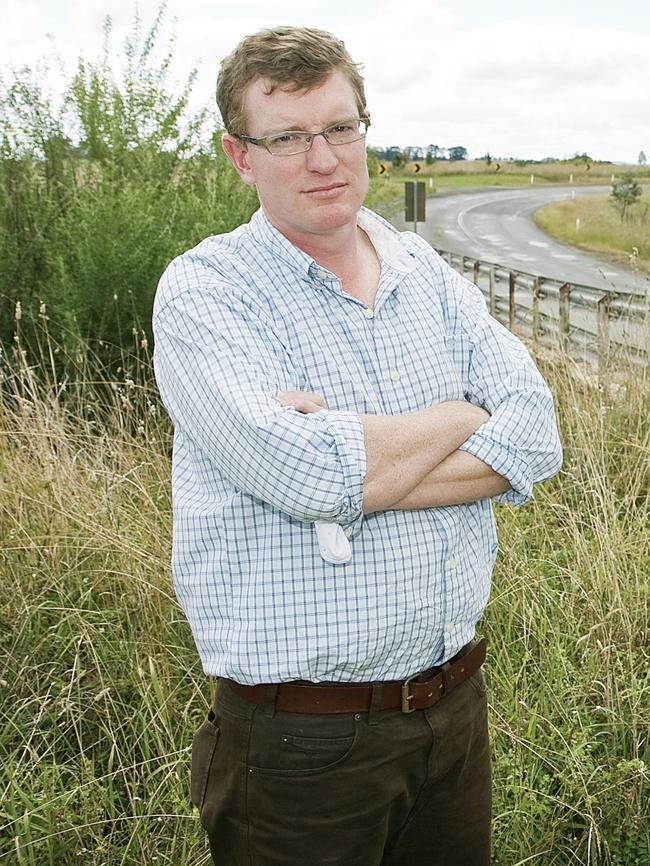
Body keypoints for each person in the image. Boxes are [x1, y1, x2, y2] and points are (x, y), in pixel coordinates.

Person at [152, 25, 562, 866]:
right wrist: (461, 411)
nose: (324, 158)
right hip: (301, 747)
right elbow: (305, 474)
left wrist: (360, 461)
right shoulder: (207, 294)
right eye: (289, 137)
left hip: (453, 714)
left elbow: (537, 430)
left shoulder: (424, 273)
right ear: (240, 156)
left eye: (341, 127)